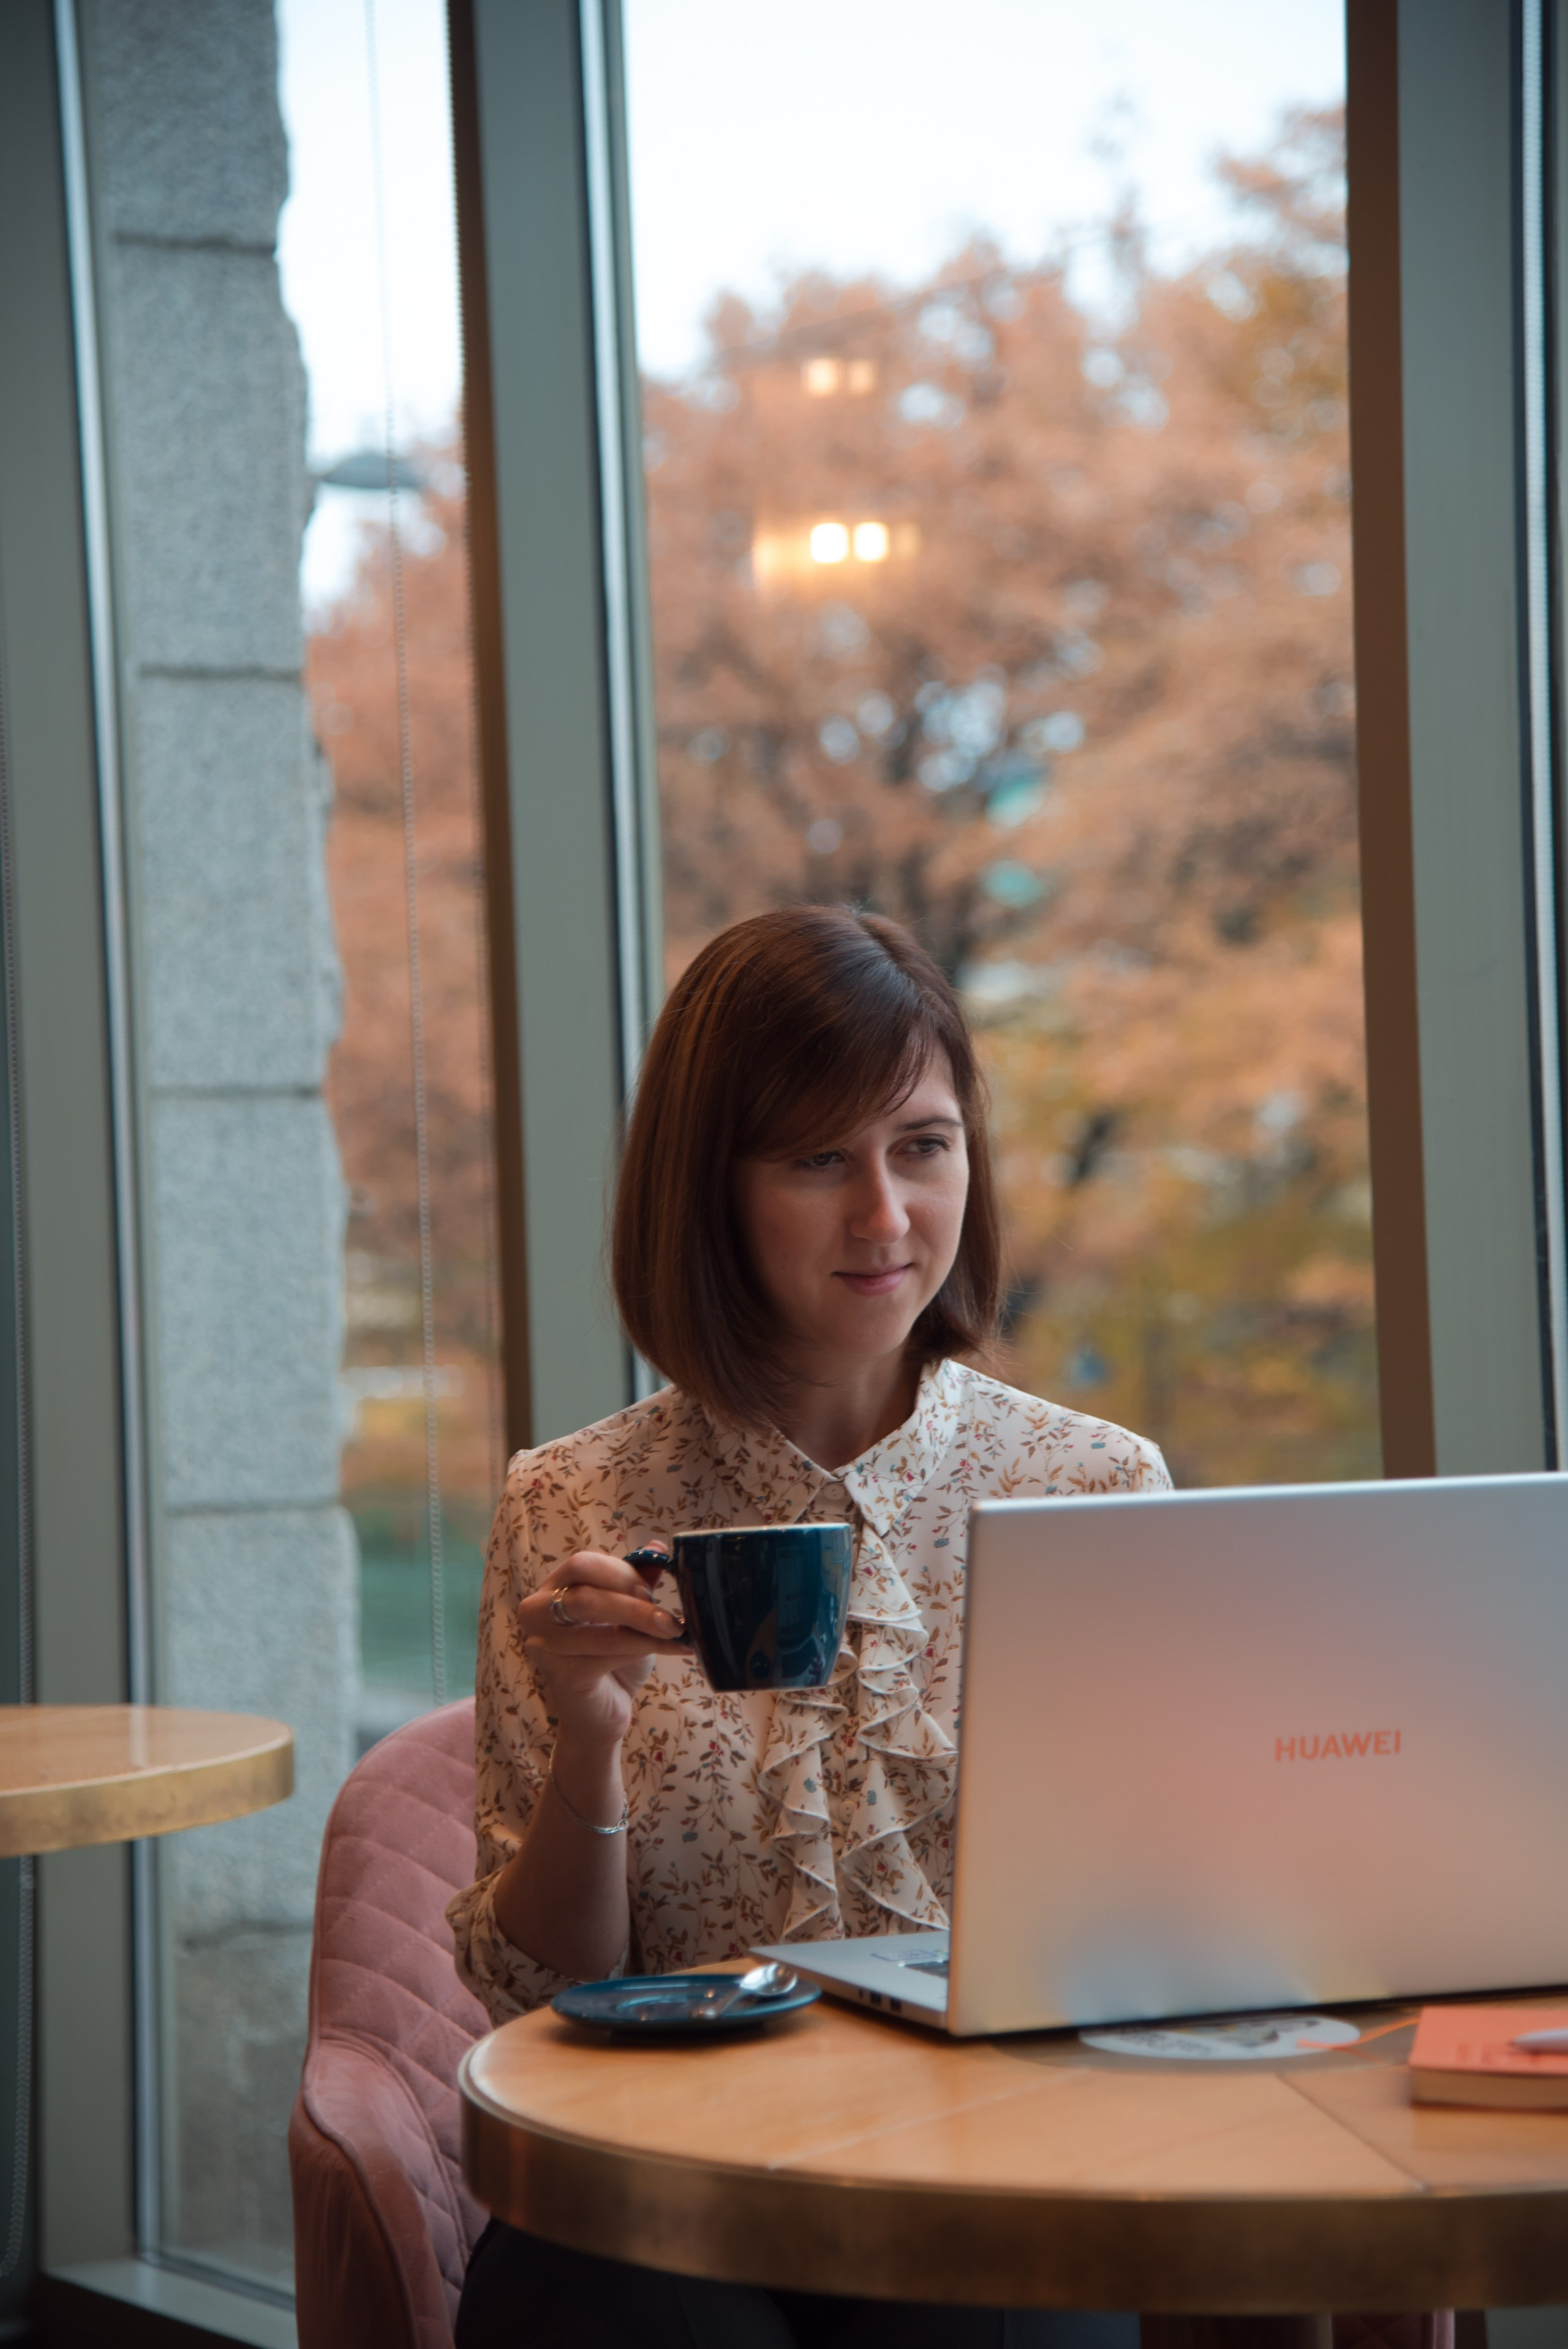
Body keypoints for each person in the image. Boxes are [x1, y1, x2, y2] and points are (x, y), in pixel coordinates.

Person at [451, 906, 1169, 2348]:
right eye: (812, 1160)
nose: (883, 1218)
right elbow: (549, 1987)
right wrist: (589, 1751)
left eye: (921, 1144)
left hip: (1001, 2155)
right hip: (669, 2170)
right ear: (706, 1190)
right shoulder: (571, 1499)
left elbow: (1171, 1921)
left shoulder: (1091, 1487)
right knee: (589, 2287)